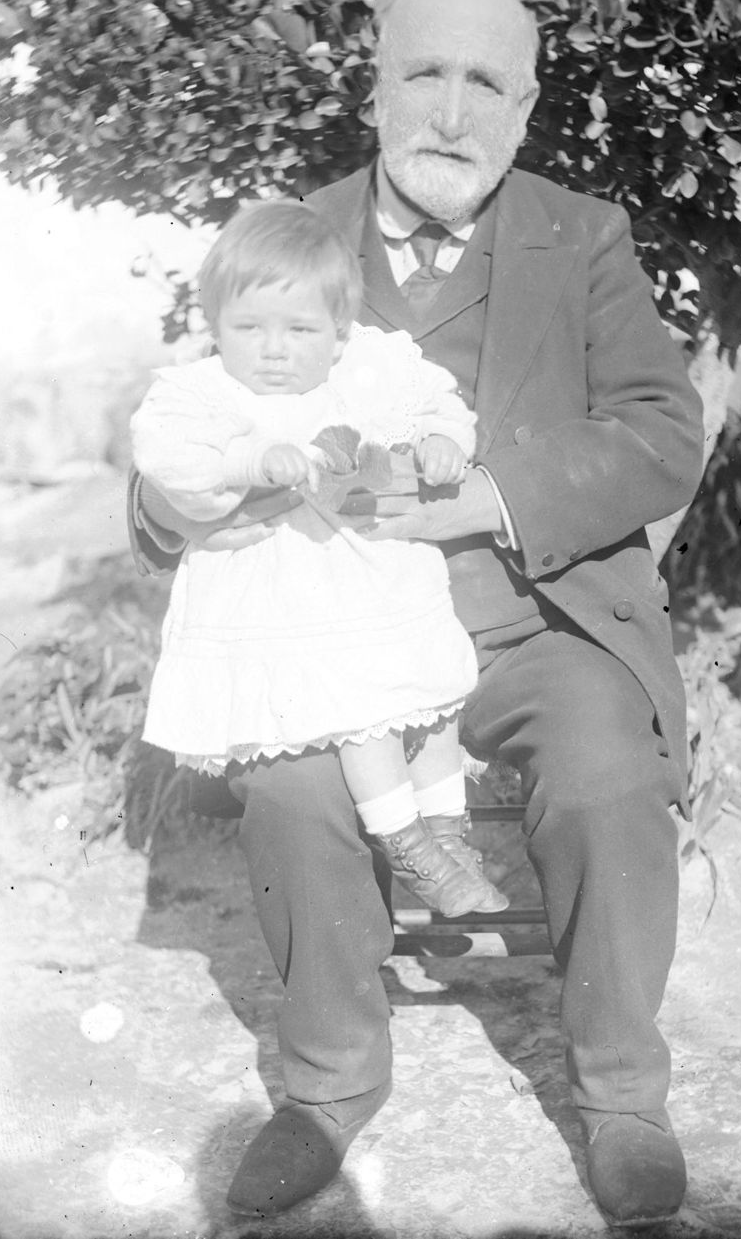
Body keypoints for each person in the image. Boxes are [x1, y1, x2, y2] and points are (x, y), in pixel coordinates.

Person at [128, 0, 705, 1227]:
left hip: (527, 619)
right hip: (334, 632)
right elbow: (192, 428)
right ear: (375, 82)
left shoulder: (580, 234)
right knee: (290, 781)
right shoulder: (290, 234)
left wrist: (487, 494)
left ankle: (619, 1094)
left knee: (608, 769)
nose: (450, 111)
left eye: (485, 82)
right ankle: (328, 1085)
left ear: (527, 102)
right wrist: (189, 502)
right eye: (423, 74)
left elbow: (662, 429)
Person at [130, 199, 509, 918]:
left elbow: (436, 400)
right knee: (361, 709)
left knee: (430, 705)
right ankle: (407, 843)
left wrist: (441, 440)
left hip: (378, 581)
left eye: (299, 331)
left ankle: (447, 834)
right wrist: (248, 459)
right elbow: (167, 458)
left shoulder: (366, 367)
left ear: (338, 334)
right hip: (287, 602)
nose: (273, 350)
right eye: (249, 329)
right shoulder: (203, 393)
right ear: (216, 325)